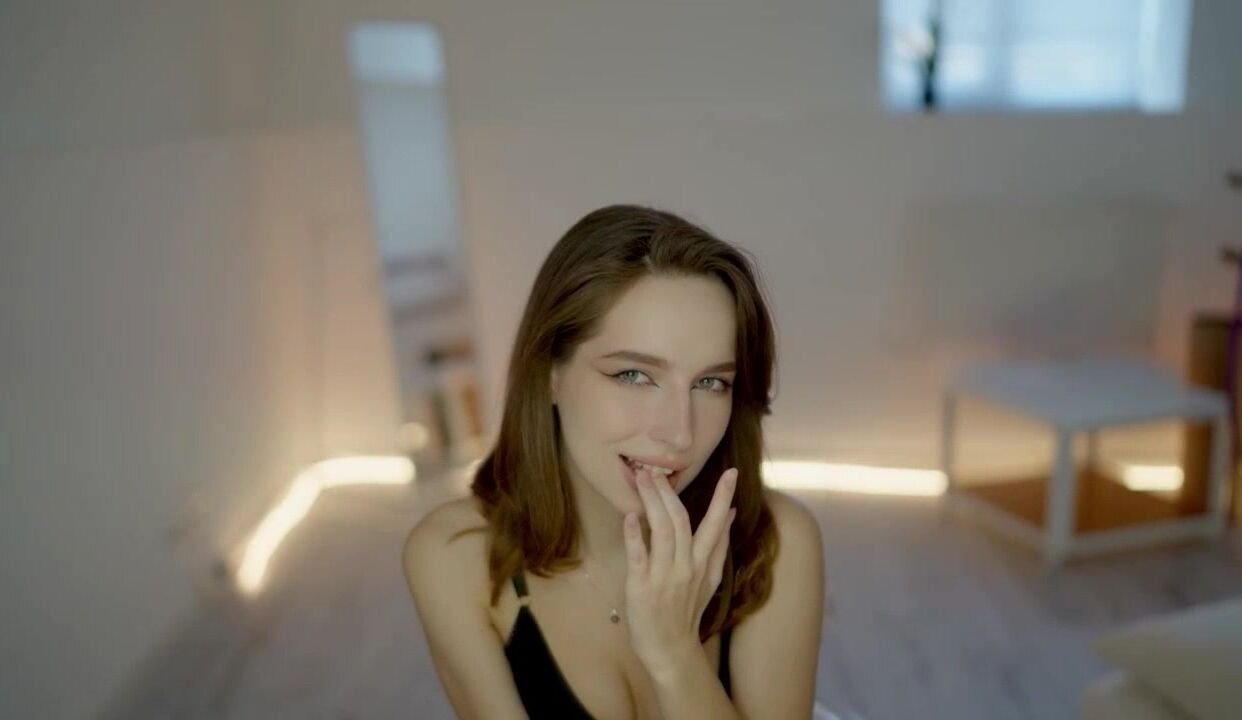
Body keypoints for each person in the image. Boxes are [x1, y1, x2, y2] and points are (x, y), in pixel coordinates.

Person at [403, 205, 824, 719]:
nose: (679, 433)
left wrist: (675, 655)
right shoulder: (453, 557)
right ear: (550, 372)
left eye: (711, 383)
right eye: (633, 375)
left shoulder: (776, 540)